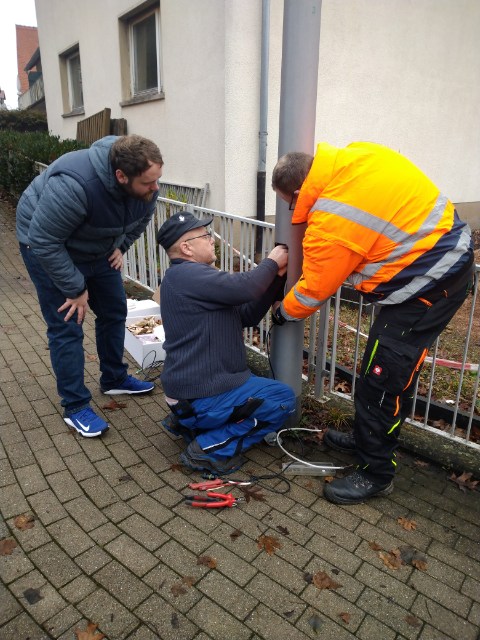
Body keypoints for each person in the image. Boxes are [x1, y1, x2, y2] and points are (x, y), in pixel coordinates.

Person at [271, 141, 475, 505]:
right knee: (384, 375)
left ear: (300, 191)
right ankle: (367, 438)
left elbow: (312, 293)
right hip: (442, 259)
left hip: (427, 287)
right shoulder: (360, 155)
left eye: (290, 203)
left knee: (381, 382)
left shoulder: (330, 220)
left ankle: (376, 474)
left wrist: (281, 312)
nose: (292, 210)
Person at [16, 134, 164, 437]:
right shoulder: (74, 185)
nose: (156, 188)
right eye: (149, 183)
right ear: (121, 176)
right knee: (68, 324)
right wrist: (75, 288)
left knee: (113, 310)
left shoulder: (146, 186)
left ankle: (113, 379)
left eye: (157, 179)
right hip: (45, 245)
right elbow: (44, 241)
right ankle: (75, 405)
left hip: (95, 246)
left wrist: (120, 246)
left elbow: (140, 221)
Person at [157, 211, 296, 475]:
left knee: (254, 387)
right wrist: (271, 261)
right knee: (282, 399)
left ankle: (189, 424)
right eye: (205, 236)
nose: (212, 240)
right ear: (186, 247)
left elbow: (247, 314)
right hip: (200, 394)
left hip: (192, 389)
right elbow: (244, 288)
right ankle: (208, 448)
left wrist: (277, 277)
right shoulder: (186, 276)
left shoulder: (189, 277)